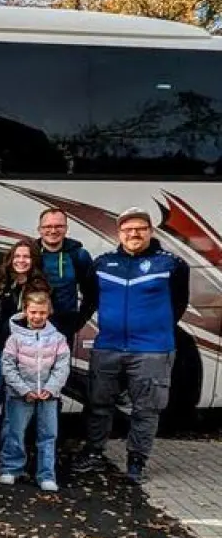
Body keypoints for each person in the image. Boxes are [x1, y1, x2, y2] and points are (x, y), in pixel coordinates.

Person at [75, 207, 190, 484]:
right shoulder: (103, 263)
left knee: (146, 408)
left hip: (152, 349)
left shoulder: (172, 264)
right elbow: (90, 300)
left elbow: (178, 305)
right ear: (119, 233)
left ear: (150, 231)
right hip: (108, 347)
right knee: (98, 403)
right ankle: (94, 453)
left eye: (140, 229)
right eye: (128, 230)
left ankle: (137, 461)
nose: (134, 234)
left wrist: (154, 328)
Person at [0, 293, 71, 493]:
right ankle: (11, 468)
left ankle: (46, 474)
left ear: (48, 312)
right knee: (15, 431)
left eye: (41, 312)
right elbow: (8, 366)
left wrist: (51, 389)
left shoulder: (58, 338)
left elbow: (62, 367)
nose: (37, 316)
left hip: (49, 395)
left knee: (48, 435)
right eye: (33, 312)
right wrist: (24, 389)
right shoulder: (14, 338)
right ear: (25, 312)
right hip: (20, 394)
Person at [0, 241, 50, 442]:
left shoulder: (41, 287)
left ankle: (7, 453)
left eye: (26, 257)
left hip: (24, 356)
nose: (21, 260)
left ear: (33, 260)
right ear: (11, 258)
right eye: (17, 256)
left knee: (15, 404)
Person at [35, 208, 99, 341]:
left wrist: (77, 322)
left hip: (63, 333)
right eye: (47, 226)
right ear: (39, 229)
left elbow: (92, 294)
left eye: (59, 226)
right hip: (29, 329)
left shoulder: (79, 255)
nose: (53, 231)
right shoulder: (30, 254)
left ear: (66, 228)